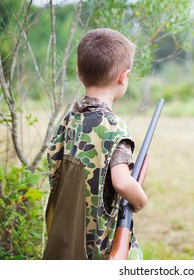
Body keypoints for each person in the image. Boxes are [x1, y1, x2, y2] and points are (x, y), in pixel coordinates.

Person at [43, 28, 148, 260]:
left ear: (79, 73)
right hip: (99, 249)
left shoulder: (70, 120)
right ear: (124, 76)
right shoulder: (114, 128)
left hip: (65, 240)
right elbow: (121, 183)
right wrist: (140, 199)